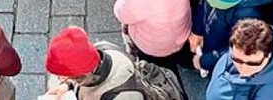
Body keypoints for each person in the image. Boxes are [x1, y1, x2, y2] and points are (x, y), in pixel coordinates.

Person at [44, 25, 183, 100]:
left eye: (61, 76)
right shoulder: (101, 48)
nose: (59, 79)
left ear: (79, 75)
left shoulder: (124, 96)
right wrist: (67, 86)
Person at [206, 19, 273, 100]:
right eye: (236, 60)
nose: (243, 69)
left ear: (268, 55)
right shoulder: (239, 49)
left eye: (252, 64)